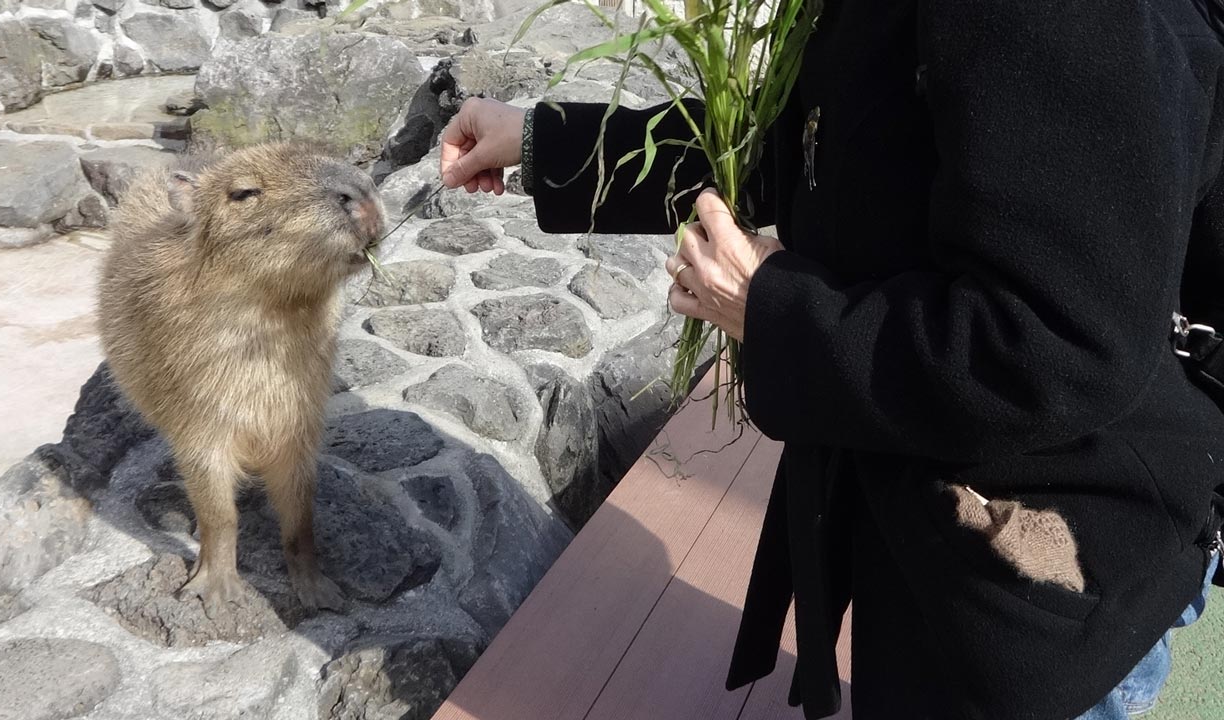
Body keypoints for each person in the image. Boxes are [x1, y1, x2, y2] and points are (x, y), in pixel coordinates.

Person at [438, 1, 1224, 718]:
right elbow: (818, 144)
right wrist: (548, 144)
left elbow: (1053, 345)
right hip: (949, 542)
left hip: (1040, 599)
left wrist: (768, 310)